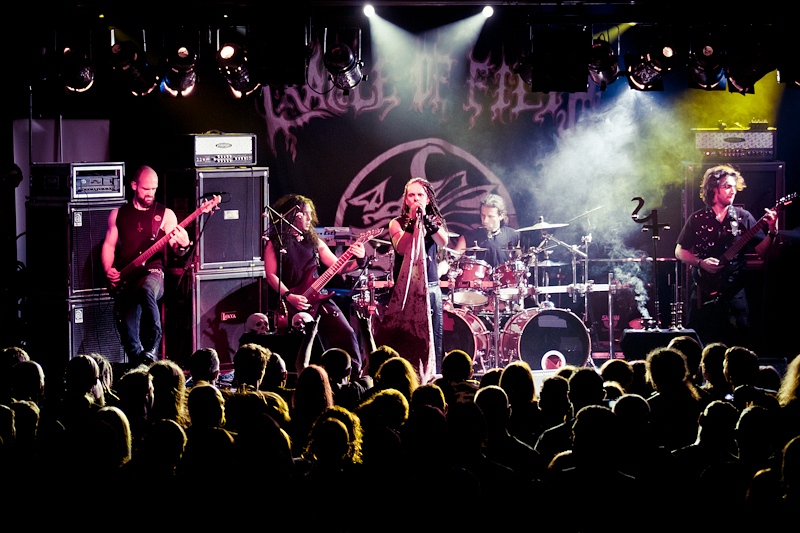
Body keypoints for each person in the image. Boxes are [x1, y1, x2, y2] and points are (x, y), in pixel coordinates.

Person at [675, 164, 777, 348]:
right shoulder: (697, 219)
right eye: (727, 186)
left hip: (734, 291)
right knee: (697, 340)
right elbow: (679, 251)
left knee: (741, 340)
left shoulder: (743, 217)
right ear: (713, 188)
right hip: (703, 289)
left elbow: (762, 250)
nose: (733, 191)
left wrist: (772, 231)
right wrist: (701, 263)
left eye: (734, 186)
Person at [263, 194, 366, 377]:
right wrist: (290, 296)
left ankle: (355, 374)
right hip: (291, 302)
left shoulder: (314, 241)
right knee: (302, 343)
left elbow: (339, 267)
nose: (310, 218)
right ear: (294, 215)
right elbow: (271, 275)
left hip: (318, 298)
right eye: (306, 214)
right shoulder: (275, 243)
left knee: (347, 333)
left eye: (311, 214)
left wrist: (359, 259)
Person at [102, 165, 192, 366]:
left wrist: (184, 245)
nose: (150, 193)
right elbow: (109, 245)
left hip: (153, 274)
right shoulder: (118, 214)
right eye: (146, 189)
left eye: (154, 189)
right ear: (134, 185)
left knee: (145, 289)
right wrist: (109, 269)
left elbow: (176, 248)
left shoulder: (165, 214)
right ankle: (139, 364)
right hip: (126, 277)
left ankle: (153, 344)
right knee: (126, 326)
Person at [385, 177, 450, 376]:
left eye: (420, 195)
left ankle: (433, 379)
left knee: (433, 340)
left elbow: (443, 241)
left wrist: (426, 220)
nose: (416, 199)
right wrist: (413, 221)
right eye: (411, 195)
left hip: (430, 288)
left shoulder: (435, 221)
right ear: (405, 200)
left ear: (428, 199)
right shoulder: (396, 223)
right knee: (407, 339)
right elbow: (402, 248)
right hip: (405, 290)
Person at [455, 193, 519, 268]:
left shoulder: (513, 235)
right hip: (478, 278)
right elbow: (454, 257)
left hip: (505, 278)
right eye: (483, 215)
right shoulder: (469, 236)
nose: (485, 220)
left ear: (501, 216)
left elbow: (519, 260)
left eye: (490, 216)